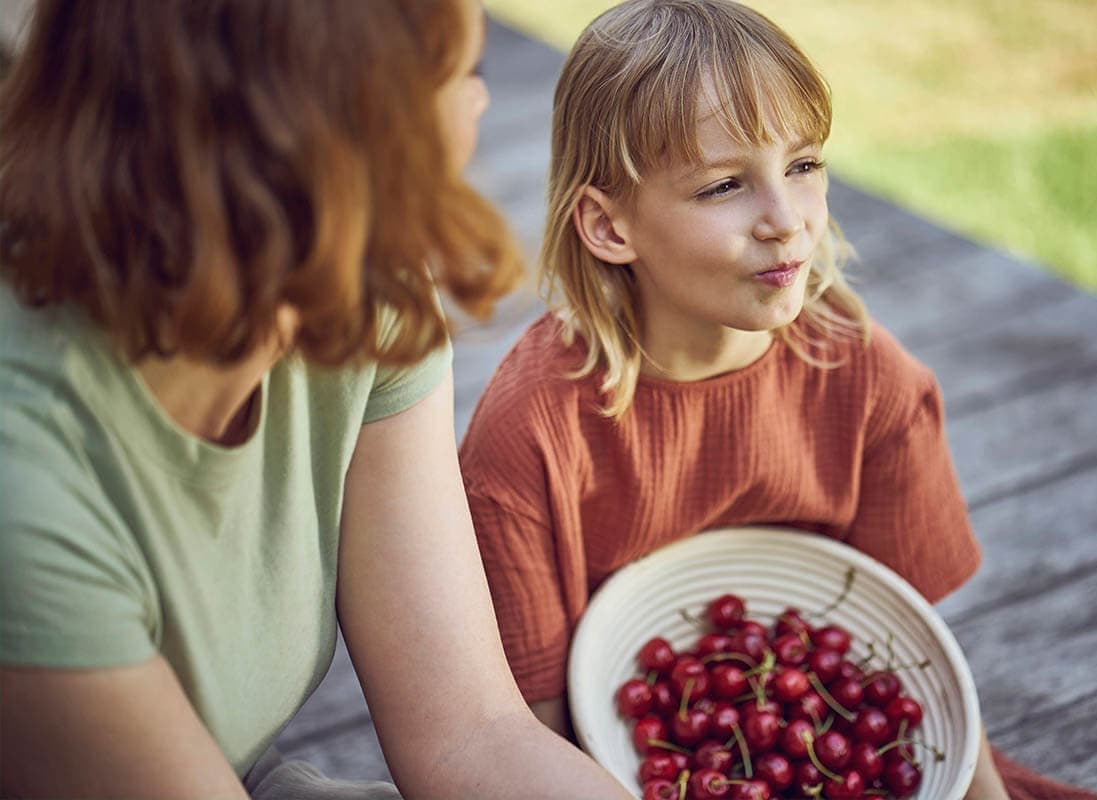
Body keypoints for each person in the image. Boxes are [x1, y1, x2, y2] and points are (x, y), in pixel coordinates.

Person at [457, 2, 1097, 799]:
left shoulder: (872, 386)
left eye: (804, 165)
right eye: (726, 184)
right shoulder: (531, 438)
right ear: (608, 226)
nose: (785, 221)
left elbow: (909, 658)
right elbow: (534, 729)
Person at [0, 1, 634, 798]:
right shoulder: (27, 488)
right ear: (331, 128)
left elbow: (471, 732)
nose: (480, 103)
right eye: (459, 75)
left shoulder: (366, 295)